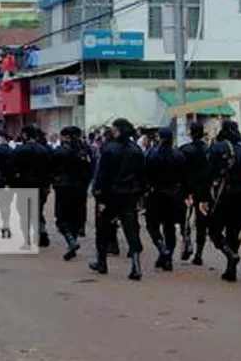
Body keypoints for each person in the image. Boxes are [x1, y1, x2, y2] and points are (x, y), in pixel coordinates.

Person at [89, 118, 145, 279]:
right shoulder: (136, 149)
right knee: (131, 228)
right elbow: (142, 175)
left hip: (110, 195)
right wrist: (140, 194)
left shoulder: (109, 149)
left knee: (103, 228)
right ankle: (136, 265)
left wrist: (98, 192)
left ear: (118, 130)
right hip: (130, 195)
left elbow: (102, 174)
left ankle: (102, 263)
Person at [205, 120, 241, 283]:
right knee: (233, 233)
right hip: (240, 198)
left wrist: (204, 197)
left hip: (221, 196)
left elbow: (209, 173)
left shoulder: (216, 148)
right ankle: (231, 270)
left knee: (214, 231)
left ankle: (230, 254)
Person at [143, 127, 185, 271]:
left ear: (159, 138)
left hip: (156, 195)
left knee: (152, 226)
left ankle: (163, 250)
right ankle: (168, 256)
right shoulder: (179, 155)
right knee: (169, 227)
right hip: (174, 195)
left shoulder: (152, 155)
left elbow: (146, 176)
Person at [48, 125, 92, 260]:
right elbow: (90, 169)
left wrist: (54, 182)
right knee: (75, 217)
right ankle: (72, 241)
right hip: (79, 188)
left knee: (61, 217)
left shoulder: (60, 152)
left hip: (63, 187)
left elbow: (51, 169)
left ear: (66, 137)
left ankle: (71, 241)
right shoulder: (85, 151)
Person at [10, 126, 53, 248]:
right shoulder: (43, 150)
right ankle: (42, 232)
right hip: (40, 185)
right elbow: (49, 170)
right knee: (38, 209)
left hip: (24, 185)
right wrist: (47, 185)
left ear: (25, 135)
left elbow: (12, 168)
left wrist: (13, 184)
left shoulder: (19, 150)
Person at [179, 121, 211, 265]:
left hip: (187, 192)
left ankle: (187, 243)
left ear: (190, 133)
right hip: (204, 193)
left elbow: (181, 172)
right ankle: (199, 253)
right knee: (201, 223)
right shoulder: (208, 150)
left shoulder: (184, 150)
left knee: (184, 220)